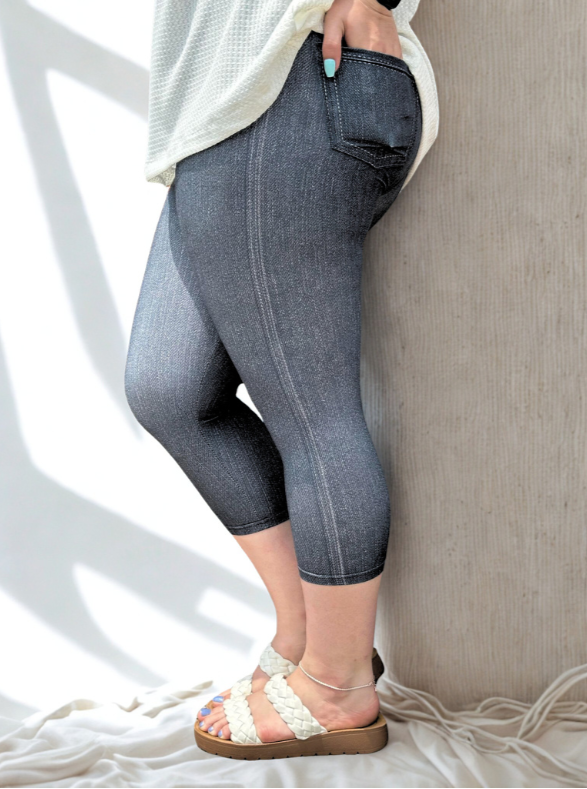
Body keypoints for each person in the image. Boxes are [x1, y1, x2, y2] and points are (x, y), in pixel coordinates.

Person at [124, 0, 438, 760]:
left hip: (291, 76)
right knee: (168, 389)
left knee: (310, 409)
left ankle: (337, 685)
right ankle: (308, 636)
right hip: (218, 107)